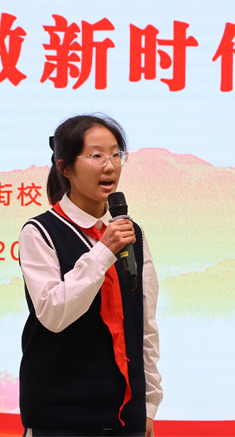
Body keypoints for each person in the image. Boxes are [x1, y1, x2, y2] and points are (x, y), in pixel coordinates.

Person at [18, 114, 162, 436]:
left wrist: (149, 405)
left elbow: (144, 325)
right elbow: (54, 314)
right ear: (65, 168)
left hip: (126, 419)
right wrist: (103, 250)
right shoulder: (40, 231)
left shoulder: (131, 233)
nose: (109, 166)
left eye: (116, 154)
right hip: (59, 420)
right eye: (97, 156)